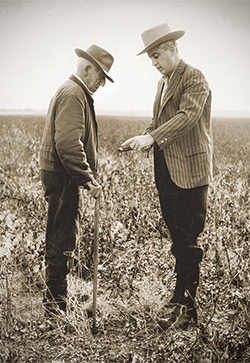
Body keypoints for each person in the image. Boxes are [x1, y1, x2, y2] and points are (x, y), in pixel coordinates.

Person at [122, 23, 213, 329]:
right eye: (151, 58)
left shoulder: (194, 77)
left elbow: (187, 117)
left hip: (190, 173)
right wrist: (143, 136)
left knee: (188, 241)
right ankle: (179, 297)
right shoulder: (163, 83)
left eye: (157, 55)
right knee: (178, 240)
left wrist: (153, 138)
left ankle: (188, 308)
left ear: (173, 49)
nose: (154, 63)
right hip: (167, 172)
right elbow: (159, 120)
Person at [39, 44, 114, 317]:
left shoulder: (75, 91)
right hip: (64, 177)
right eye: (101, 77)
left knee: (61, 233)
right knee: (61, 237)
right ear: (87, 68)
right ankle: (55, 307)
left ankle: (56, 300)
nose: (102, 84)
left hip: (63, 175)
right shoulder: (74, 93)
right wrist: (88, 180)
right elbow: (69, 143)